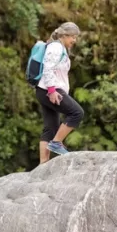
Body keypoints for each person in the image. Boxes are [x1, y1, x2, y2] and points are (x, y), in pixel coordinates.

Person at [35, 22, 86, 162]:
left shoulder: (59, 47)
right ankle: (56, 143)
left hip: (44, 90)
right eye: (73, 37)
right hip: (49, 90)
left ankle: (43, 164)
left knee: (50, 127)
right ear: (64, 35)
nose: (74, 41)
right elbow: (48, 68)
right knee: (77, 113)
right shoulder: (56, 47)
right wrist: (52, 91)